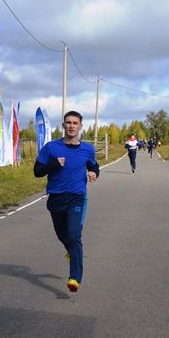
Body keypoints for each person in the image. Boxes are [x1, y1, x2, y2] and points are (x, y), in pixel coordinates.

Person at [34, 110, 100, 293]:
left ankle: (74, 278)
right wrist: (53, 164)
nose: (71, 126)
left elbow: (93, 165)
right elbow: (37, 171)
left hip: (77, 197)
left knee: (73, 235)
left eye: (75, 123)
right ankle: (72, 253)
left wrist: (94, 172)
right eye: (68, 122)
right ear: (63, 125)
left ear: (80, 126)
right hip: (56, 198)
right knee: (62, 235)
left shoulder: (87, 149)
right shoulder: (51, 147)